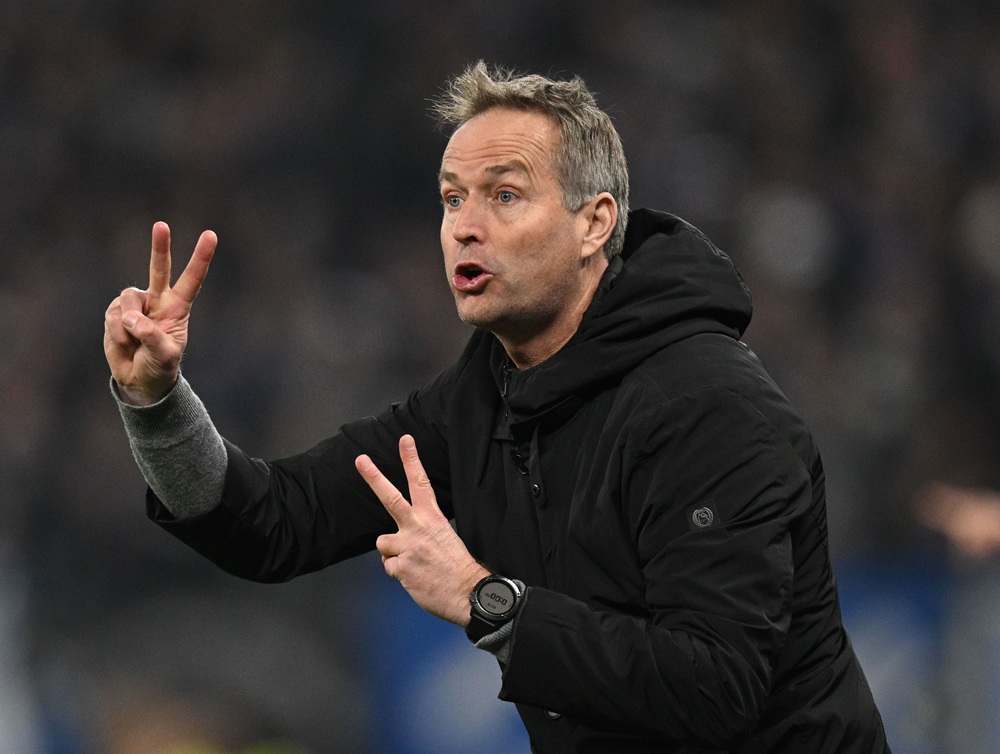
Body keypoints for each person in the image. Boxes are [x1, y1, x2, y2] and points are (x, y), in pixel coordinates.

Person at [104, 62, 890, 752]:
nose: (465, 228)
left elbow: (715, 687)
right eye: (453, 199)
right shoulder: (482, 398)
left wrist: (488, 601)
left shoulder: (710, 408)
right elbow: (276, 523)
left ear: (595, 223)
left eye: (505, 196)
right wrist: (158, 403)